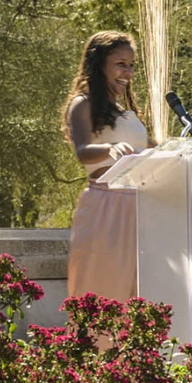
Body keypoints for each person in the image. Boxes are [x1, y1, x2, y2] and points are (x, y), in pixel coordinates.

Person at [63, 31, 151, 303]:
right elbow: (83, 152)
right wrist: (110, 150)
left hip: (140, 207)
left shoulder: (124, 112)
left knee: (138, 295)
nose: (128, 72)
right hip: (106, 206)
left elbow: (148, 152)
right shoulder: (83, 104)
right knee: (104, 291)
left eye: (132, 65)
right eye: (121, 64)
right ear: (100, 64)